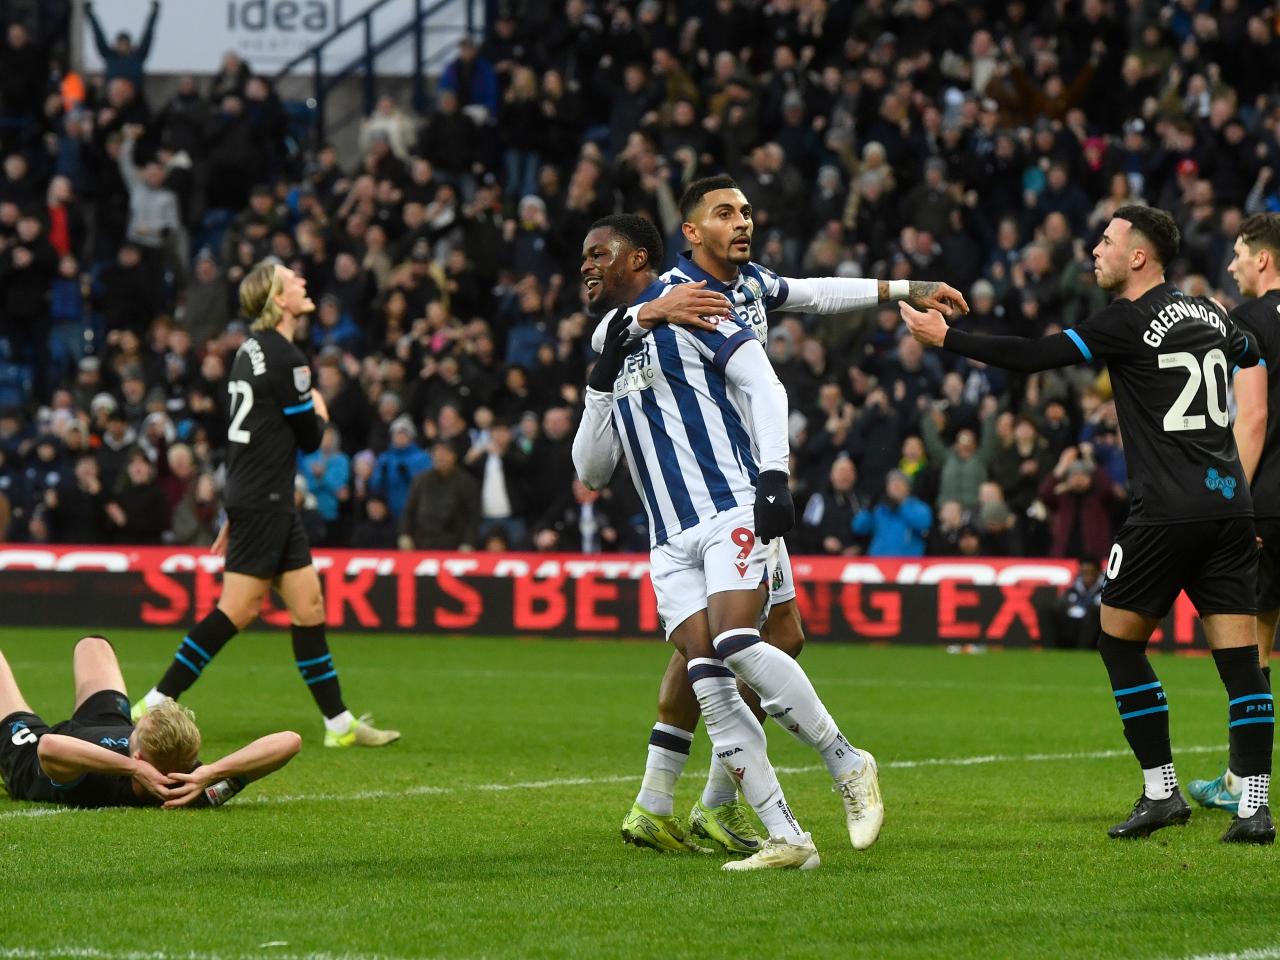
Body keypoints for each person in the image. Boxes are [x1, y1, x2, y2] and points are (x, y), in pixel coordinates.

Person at [591, 179, 965, 854]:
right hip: (726, 487)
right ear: (690, 232)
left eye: (746, 212)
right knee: (733, 644)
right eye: (725, 214)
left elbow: (817, 291)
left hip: (743, 484)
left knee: (770, 637)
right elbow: (609, 347)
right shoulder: (678, 300)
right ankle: (699, 798)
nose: (743, 223)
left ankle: (701, 802)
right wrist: (647, 316)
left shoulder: (749, 285)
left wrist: (905, 288)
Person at [900, 206, 1274, 844]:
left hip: (1164, 513)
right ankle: (1256, 808)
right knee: (1242, 660)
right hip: (1229, 503)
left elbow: (1034, 356)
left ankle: (1161, 792)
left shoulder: (1128, 321)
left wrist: (947, 340)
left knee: (1119, 642)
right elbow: (1251, 351)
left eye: (1106, 240)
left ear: (1139, 256)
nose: (1095, 250)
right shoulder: (1215, 314)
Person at [131, 262, 398, 749]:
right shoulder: (286, 357)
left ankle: (338, 724)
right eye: (292, 279)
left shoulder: (248, 352)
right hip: (267, 500)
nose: (301, 281)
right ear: (278, 299)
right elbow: (312, 439)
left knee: (308, 604)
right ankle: (154, 700)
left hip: (260, 497)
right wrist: (320, 407)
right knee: (237, 609)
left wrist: (237, 506)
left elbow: (245, 439)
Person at [1189, 213, 1280, 813]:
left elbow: (1249, 417)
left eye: (1239, 255)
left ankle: (1244, 787)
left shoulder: (1245, 323)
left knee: (1253, 649)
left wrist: (1232, 499)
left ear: (1264, 260)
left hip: (1268, 503)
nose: (1232, 266)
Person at [1, 635, 298, 809]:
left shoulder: (103, 782)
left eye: (139, 724)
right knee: (94, 644)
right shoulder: (195, 783)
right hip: (106, 723)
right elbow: (290, 741)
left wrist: (132, 768)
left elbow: (50, 746)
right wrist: (213, 771)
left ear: (139, 756)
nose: (140, 718)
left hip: (31, 756)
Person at [1035, 557, 1105, 650]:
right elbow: (1059, 606)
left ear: (1098, 572)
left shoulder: (1106, 590)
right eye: (1084, 572)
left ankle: (1082, 651)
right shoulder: (1073, 588)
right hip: (1072, 625)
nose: (1087, 576)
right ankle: (1050, 650)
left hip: (1093, 631)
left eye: (1090, 572)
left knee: (1092, 613)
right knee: (1044, 610)